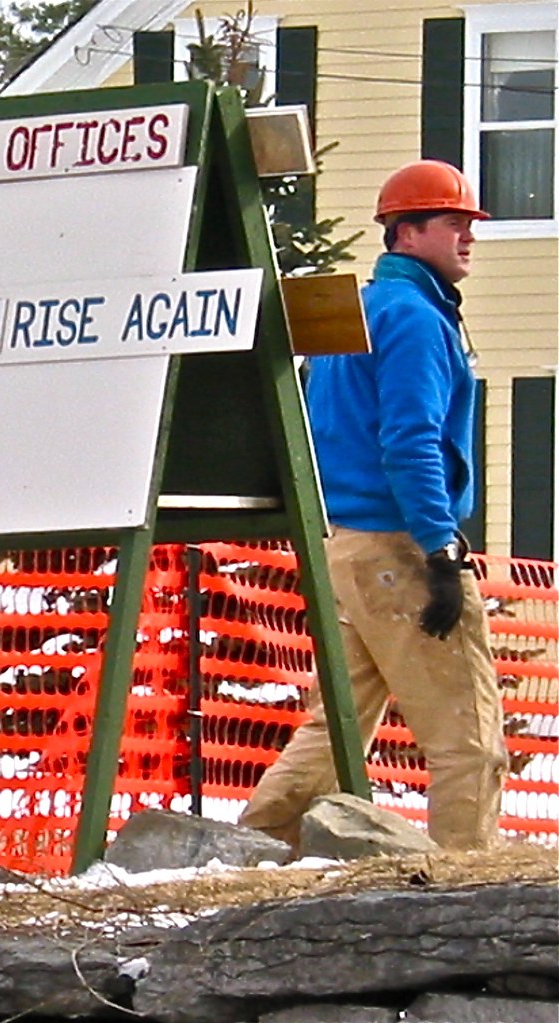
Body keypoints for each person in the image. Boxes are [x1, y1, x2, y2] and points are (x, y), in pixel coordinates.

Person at [239, 159, 508, 851]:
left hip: (345, 546)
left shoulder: (357, 309)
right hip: (399, 547)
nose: (468, 237)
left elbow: (325, 428)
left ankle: (255, 848)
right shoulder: (417, 318)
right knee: (468, 740)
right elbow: (410, 437)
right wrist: (440, 547)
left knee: (337, 727)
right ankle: (466, 887)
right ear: (406, 232)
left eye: (469, 224)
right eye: (453, 223)